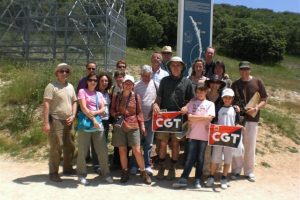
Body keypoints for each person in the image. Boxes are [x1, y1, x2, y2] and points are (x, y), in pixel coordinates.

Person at [153, 56, 194, 181]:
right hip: (165, 117)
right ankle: (161, 167)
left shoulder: (187, 82)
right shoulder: (164, 80)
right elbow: (159, 97)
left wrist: (187, 106)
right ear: (170, 67)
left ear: (182, 67)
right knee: (163, 143)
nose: (175, 67)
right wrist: (155, 104)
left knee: (176, 144)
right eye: (173, 65)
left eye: (178, 65)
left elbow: (192, 99)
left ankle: (173, 168)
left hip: (179, 118)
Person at [231, 61, 268, 182]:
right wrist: (234, 107)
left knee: (250, 146)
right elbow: (231, 100)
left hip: (253, 119)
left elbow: (264, 99)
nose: (244, 71)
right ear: (239, 70)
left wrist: (257, 108)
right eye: (242, 69)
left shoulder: (257, 82)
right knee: (237, 145)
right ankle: (236, 170)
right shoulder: (235, 84)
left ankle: (249, 171)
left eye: (246, 69)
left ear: (250, 69)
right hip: (239, 119)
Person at [110, 76, 152, 185]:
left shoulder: (136, 97)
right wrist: (116, 115)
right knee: (122, 150)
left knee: (137, 150)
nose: (128, 85)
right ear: (123, 84)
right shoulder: (116, 96)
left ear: (133, 85)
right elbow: (112, 110)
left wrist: (142, 125)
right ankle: (125, 171)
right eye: (126, 83)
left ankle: (143, 172)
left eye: (130, 83)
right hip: (120, 126)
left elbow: (139, 112)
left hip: (133, 125)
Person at [172, 83, 215, 189]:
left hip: (204, 136)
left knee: (200, 158)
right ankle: (183, 178)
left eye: (202, 91)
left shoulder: (210, 104)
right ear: (196, 92)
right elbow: (190, 118)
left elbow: (210, 118)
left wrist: (196, 117)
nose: (200, 93)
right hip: (192, 135)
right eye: (198, 92)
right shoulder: (192, 102)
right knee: (190, 157)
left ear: (206, 92)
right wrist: (202, 117)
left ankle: (197, 180)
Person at [76, 72, 113, 185]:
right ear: (87, 81)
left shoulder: (99, 94)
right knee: (83, 151)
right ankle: (81, 175)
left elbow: (103, 109)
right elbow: (83, 108)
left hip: (98, 124)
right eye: (91, 80)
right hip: (86, 124)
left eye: (95, 80)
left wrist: (95, 113)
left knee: (102, 150)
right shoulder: (82, 91)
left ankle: (105, 173)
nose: (93, 82)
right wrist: (94, 120)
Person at [43, 63, 77, 182]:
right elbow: (46, 104)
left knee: (70, 146)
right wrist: (46, 123)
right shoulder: (51, 86)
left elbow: (74, 102)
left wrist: (73, 115)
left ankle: (68, 168)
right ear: (57, 73)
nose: (64, 73)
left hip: (69, 120)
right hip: (56, 120)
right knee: (57, 147)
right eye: (61, 71)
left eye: (66, 71)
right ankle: (53, 173)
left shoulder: (70, 86)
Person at [206, 88, 240, 189]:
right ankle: (211, 176)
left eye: (229, 98)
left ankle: (224, 177)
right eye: (225, 97)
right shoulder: (218, 108)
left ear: (232, 98)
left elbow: (237, 123)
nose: (227, 99)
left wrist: (238, 127)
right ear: (222, 98)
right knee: (215, 158)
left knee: (228, 159)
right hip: (218, 138)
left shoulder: (235, 110)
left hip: (230, 139)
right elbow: (214, 122)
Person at [130, 65, 159, 176]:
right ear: (141, 75)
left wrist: (156, 105)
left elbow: (158, 99)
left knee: (148, 144)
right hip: (137, 120)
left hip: (151, 119)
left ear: (151, 75)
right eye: (144, 76)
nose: (146, 78)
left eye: (148, 76)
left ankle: (147, 166)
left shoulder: (156, 85)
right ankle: (134, 165)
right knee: (136, 144)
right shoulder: (136, 85)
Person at [76, 61, 99, 172]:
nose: (91, 70)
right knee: (84, 143)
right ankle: (83, 164)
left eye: (93, 68)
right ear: (86, 69)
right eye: (89, 68)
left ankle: (96, 164)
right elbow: (79, 99)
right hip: (85, 115)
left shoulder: (97, 80)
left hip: (96, 115)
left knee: (96, 143)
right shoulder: (82, 82)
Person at [202, 75, 226, 176]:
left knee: (218, 149)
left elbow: (228, 107)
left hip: (218, 126)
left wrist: (236, 108)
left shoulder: (223, 97)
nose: (215, 85)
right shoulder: (204, 96)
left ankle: (217, 171)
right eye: (212, 82)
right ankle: (206, 171)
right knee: (207, 150)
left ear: (220, 85)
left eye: (217, 83)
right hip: (206, 125)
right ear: (209, 84)